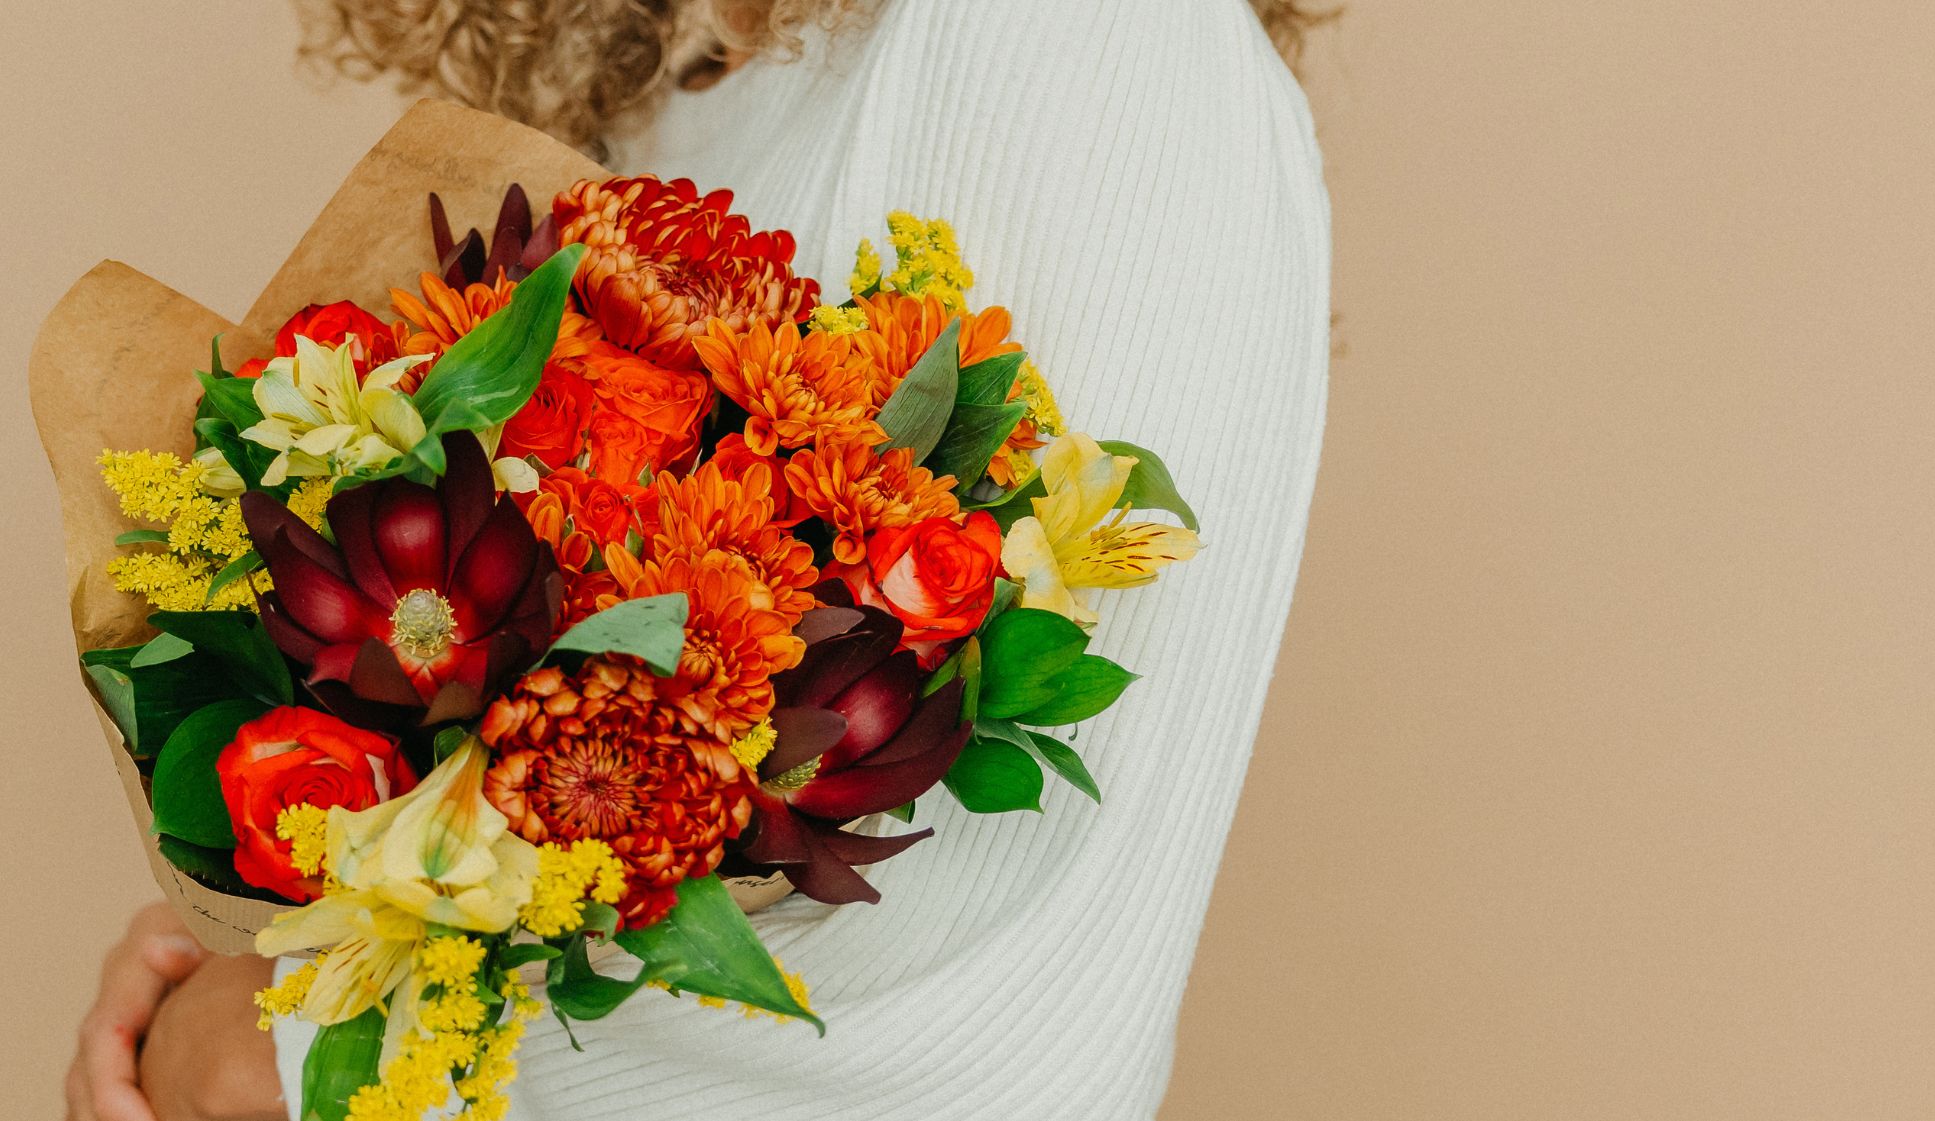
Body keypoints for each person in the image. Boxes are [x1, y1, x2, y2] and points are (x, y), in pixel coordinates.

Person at [67, 0, 1333, 1116]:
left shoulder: (1077, 30)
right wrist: (287, 941)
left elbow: (1009, 942)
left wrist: (299, 1057)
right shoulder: (694, 76)